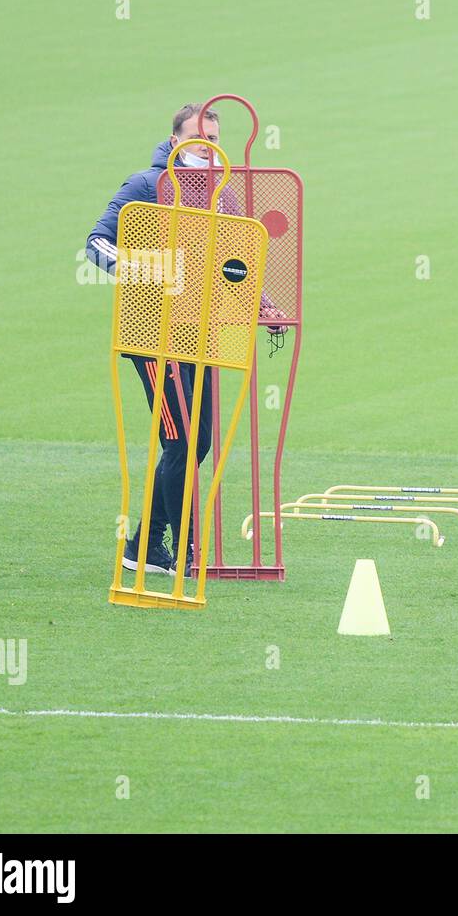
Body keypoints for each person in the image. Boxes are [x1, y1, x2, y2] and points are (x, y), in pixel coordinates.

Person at [86, 103, 286, 575]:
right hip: (153, 334)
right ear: (176, 142)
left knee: (196, 445)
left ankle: (144, 548)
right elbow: (96, 243)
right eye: (199, 141)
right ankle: (186, 552)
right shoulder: (146, 187)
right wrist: (146, 271)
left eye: (214, 142)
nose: (208, 150)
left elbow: (239, 262)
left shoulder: (221, 197)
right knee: (181, 439)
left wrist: (265, 305)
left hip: (204, 334)